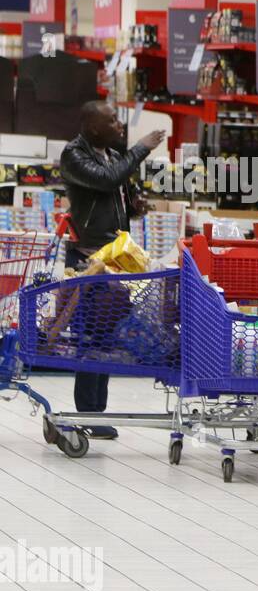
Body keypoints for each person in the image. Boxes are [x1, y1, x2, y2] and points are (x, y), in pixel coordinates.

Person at [60, 101, 166, 439]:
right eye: (112, 120)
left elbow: (115, 190)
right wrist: (140, 149)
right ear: (93, 127)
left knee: (106, 334)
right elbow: (106, 182)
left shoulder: (111, 155)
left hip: (116, 255)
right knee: (90, 334)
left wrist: (133, 208)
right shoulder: (73, 155)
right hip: (89, 258)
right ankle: (88, 413)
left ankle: (98, 412)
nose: (120, 125)